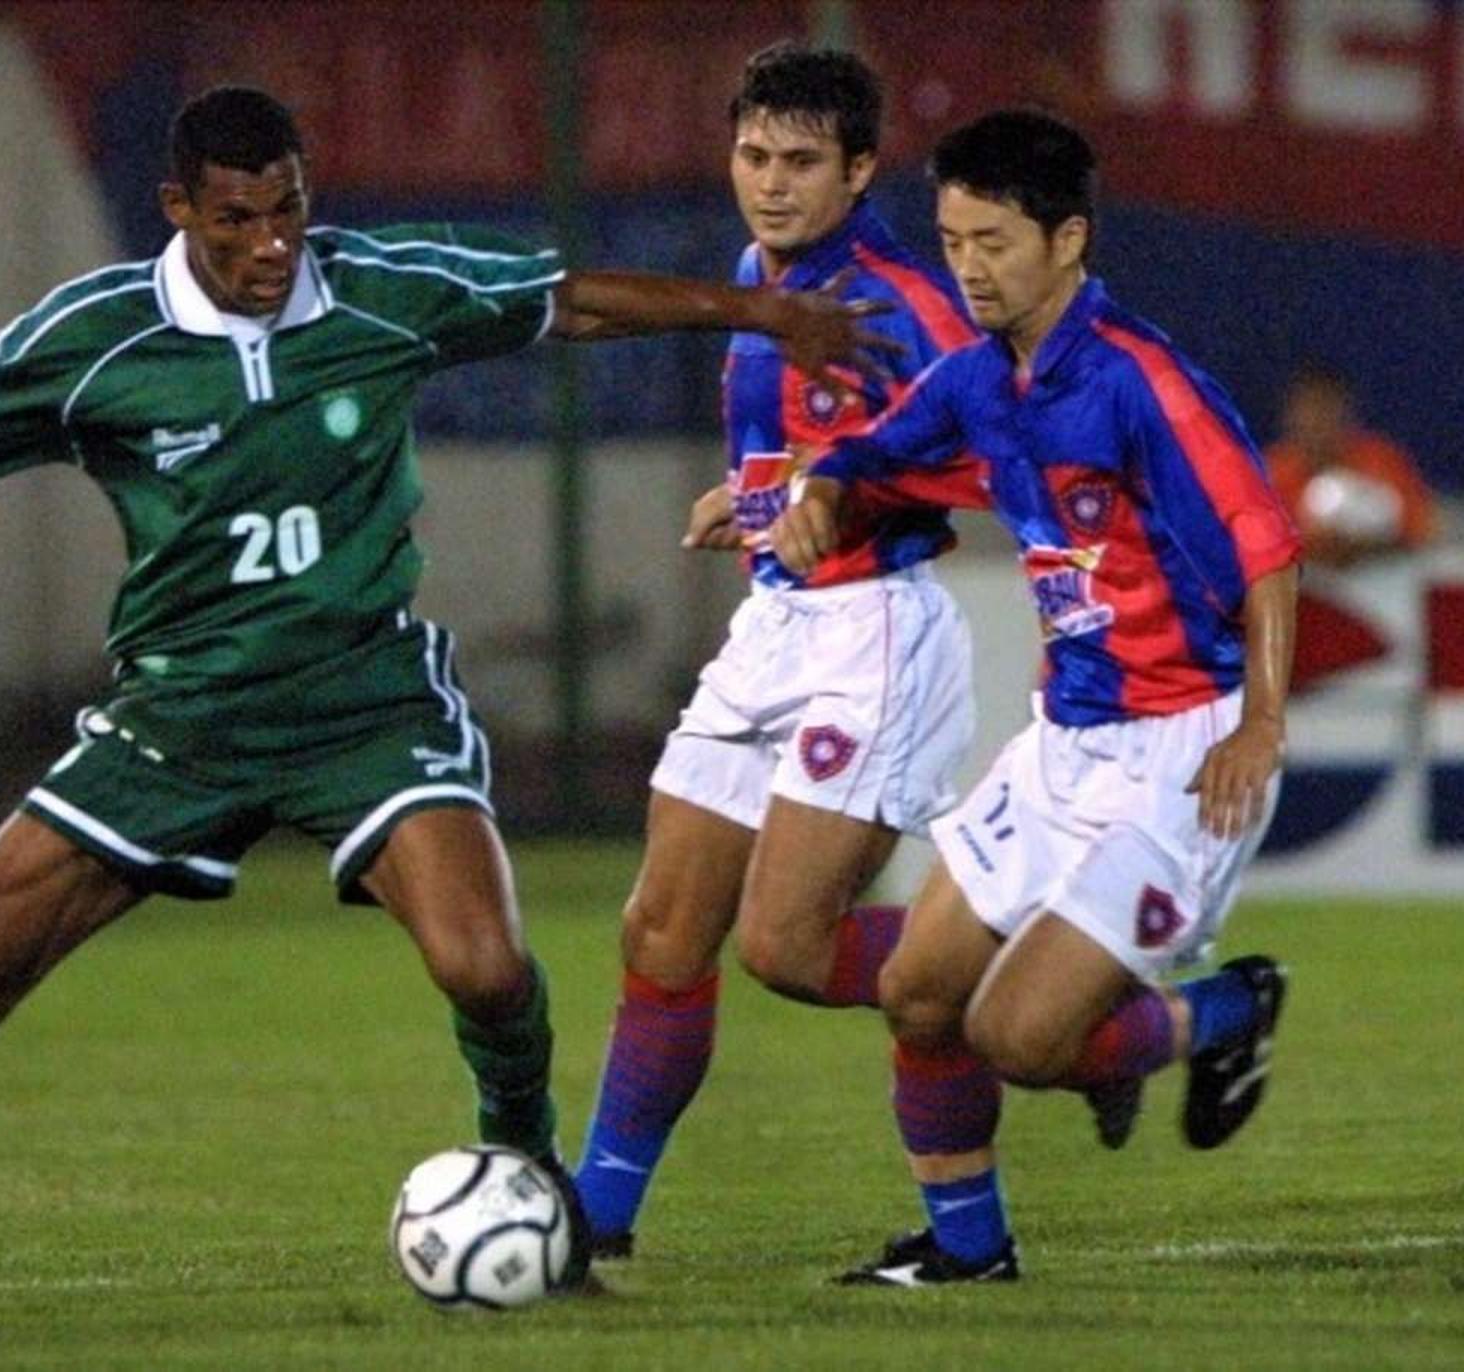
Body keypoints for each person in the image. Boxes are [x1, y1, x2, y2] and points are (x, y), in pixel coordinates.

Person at [0, 86, 897, 1330]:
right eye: (236, 220)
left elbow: (567, 300)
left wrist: (756, 310)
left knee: (488, 966)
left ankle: (537, 1203)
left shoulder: (381, 291)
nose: (269, 246)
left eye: (287, 211)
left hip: (364, 705)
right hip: (180, 722)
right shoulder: (100, 340)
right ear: (180, 208)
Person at [767, 109, 1300, 1285]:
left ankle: (1223, 1011)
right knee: (917, 991)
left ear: (1069, 240)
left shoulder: (1141, 383)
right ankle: (969, 1248)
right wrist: (810, 495)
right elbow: (864, 452)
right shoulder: (977, 379)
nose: (968, 266)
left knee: (1018, 1035)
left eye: (994, 241)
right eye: (954, 239)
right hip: (1065, 741)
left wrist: (1262, 721)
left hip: (1181, 751)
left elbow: (1266, 548)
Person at [569, 43, 983, 1260]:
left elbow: (990, 444)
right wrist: (750, 499)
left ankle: (1065, 981)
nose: (772, 183)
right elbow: (807, 453)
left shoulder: (902, 300)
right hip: (775, 625)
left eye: (804, 162)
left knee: (789, 951)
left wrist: (841, 492)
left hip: (876, 628)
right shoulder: (760, 276)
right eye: (754, 155)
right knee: (660, 930)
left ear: (860, 171)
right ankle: (599, 1217)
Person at [1266, 362, 1438, 571]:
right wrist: (1318, 549)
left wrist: (1364, 548)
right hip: (1302, 593)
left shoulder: (1382, 461)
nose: (1317, 421)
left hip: (1377, 588)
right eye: (1309, 409)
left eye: (1326, 408)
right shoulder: (1270, 471)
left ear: (1346, 412)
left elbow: (1419, 530)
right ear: (1291, 415)